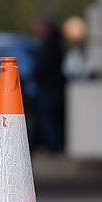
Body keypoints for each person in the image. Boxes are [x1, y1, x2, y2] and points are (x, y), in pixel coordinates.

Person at [33, 16, 66, 153]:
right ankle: (54, 146)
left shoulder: (50, 44)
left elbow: (44, 67)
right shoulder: (53, 43)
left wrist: (36, 75)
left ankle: (54, 148)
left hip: (49, 87)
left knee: (48, 118)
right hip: (51, 86)